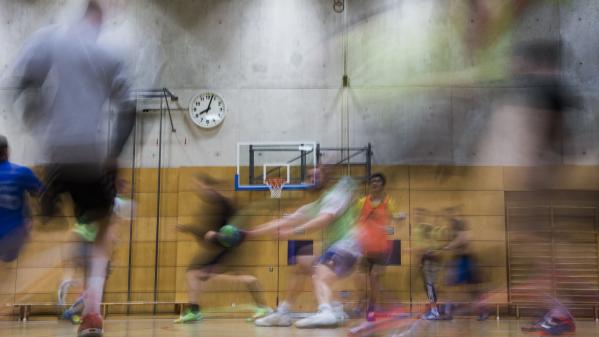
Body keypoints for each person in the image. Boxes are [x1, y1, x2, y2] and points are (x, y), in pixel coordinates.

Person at [12, 1, 135, 336]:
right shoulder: (111, 49)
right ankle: (92, 313)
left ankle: (50, 195)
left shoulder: (48, 37)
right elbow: (128, 109)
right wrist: (114, 159)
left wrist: (39, 124)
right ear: (103, 14)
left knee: (60, 202)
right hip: (90, 153)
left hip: (53, 151)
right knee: (105, 227)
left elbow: (23, 85)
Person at [249, 167, 358, 328]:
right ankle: (283, 312)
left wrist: (294, 231)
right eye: (309, 176)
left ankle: (327, 311)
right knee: (303, 261)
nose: (313, 179)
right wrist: (247, 233)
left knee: (320, 274)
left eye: (316, 175)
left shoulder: (335, 195)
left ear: (326, 178)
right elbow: (283, 222)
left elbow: (325, 219)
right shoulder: (314, 206)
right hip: (335, 248)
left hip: (347, 246)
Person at [175, 175, 271, 323]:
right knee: (198, 274)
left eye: (200, 187)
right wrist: (190, 229)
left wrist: (217, 234)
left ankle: (194, 311)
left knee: (196, 273)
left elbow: (232, 229)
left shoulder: (222, 204)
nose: (199, 190)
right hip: (224, 249)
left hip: (225, 250)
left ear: (209, 188)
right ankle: (263, 307)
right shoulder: (216, 205)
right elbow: (208, 233)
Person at [354, 173, 401, 320]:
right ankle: (363, 302)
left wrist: (400, 217)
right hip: (364, 249)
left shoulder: (388, 202)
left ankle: (372, 308)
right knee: (360, 279)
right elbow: (355, 220)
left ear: (382, 185)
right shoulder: (362, 202)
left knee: (374, 278)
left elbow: (395, 216)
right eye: (372, 181)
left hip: (381, 248)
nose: (375, 183)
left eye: (378, 181)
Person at [0, 135, 43, 268]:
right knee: (9, 258)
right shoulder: (22, 172)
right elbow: (39, 192)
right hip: (13, 235)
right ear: (6, 151)